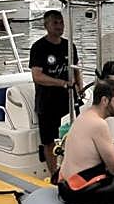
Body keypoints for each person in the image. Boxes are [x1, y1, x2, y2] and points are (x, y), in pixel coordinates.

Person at [56, 79, 114, 204]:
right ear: (105, 100)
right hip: (79, 191)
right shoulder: (99, 124)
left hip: (65, 185)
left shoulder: (84, 116)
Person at [30, 10, 82, 178]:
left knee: (72, 136)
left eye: (61, 22)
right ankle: (54, 174)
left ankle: (72, 169)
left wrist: (79, 88)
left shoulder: (69, 45)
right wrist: (61, 83)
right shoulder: (39, 48)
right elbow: (37, 76)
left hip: (68, 102)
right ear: (46, 26)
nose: (59, 26)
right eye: (55, 23)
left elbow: (76, 69)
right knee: (49, 140)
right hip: (47, 101)